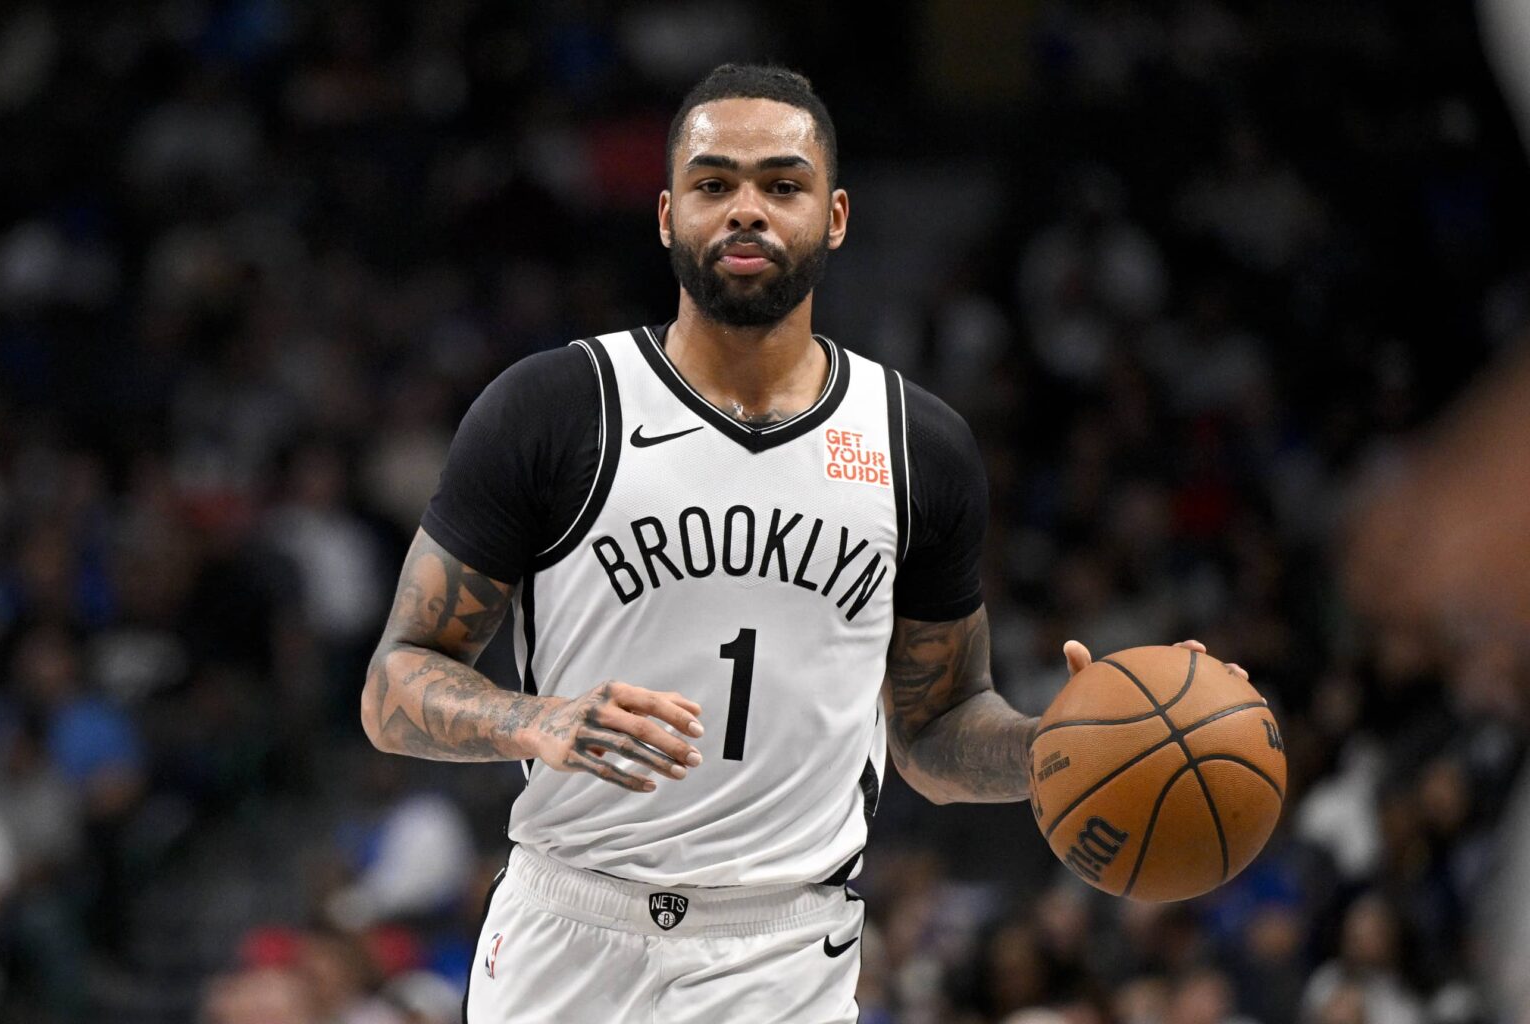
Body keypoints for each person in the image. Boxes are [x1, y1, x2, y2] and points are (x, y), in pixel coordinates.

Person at [360, 62, 1243, 1024]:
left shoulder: (922, 447)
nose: (746, 210)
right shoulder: (555, 407)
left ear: (836, 217)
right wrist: (536, 722)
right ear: (665, 214)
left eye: (782, 185)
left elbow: (936, 732)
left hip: (782, 950)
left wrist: (1063, 744)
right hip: (567, 927)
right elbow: (395, 684)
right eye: (714, 184)